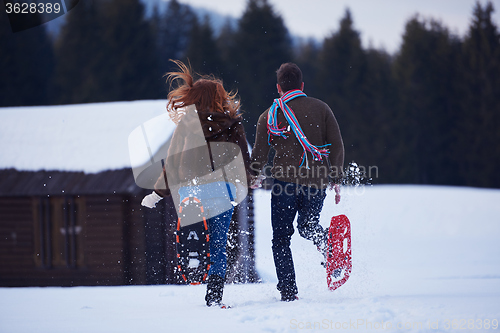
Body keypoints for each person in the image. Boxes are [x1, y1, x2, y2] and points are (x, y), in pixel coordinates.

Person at [141, 60, 251, 307]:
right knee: (219, 245)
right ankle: (214, 296)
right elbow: (244, 159)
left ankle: (193, 251)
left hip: (193, 189)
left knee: (196, 230)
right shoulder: (233, 123)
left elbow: (171, 162)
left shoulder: (187, 125)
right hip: (223, 191)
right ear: (219, 97)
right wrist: (251, 181)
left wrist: (157, 194)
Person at [250, 62, 344, 301]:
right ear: (302, 85)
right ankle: (329, 245)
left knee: (281, 238)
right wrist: (336, 177)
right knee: (308, 226)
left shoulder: (269, 115)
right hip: (317, 181)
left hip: (283, 183)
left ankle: (288, 291)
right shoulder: (322, 108)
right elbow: (336, 144)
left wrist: (253, 176)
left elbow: (260, 154)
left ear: (279, 87)